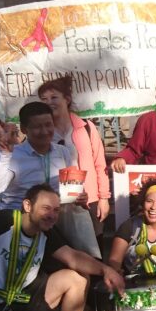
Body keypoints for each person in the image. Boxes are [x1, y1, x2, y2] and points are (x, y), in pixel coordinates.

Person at [39, 76, 110, 257]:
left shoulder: (86, 127)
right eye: (44, 99)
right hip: (60, 204)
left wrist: (103, 198)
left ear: (67, 99)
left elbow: (100, 164)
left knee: (94, 250)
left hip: (90, 199)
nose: (49, 103)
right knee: (68, 252)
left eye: (54, 97)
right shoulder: (43, 132)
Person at [0, 102, 71, 211]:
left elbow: (70, 188)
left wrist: (79, 196)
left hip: (53, 217)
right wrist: (5, 155)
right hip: (18, 219)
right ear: (23, 129)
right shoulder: (12, 155)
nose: (44, 131)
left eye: (48, 125)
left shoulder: (62, 152)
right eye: (37, 127)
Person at [107, 181, 156, 277]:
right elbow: (114, 260)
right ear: (143, 203)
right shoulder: (129, 226)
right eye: (149, 201)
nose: (153, 207)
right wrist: (115, 270)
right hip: (133, 283)